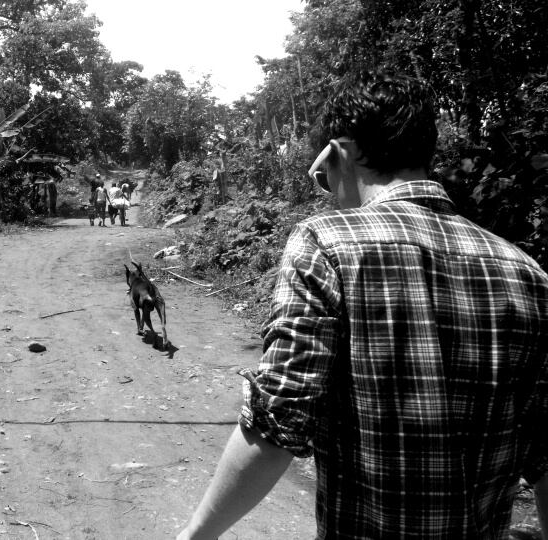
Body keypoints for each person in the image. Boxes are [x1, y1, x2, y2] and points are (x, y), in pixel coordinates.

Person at [178, 72, 548, 539]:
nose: (328, 191)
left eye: (322, 176)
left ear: (340, 153)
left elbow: (281, 417)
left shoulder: (327, 243)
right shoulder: (528, 273)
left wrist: (194, 534)